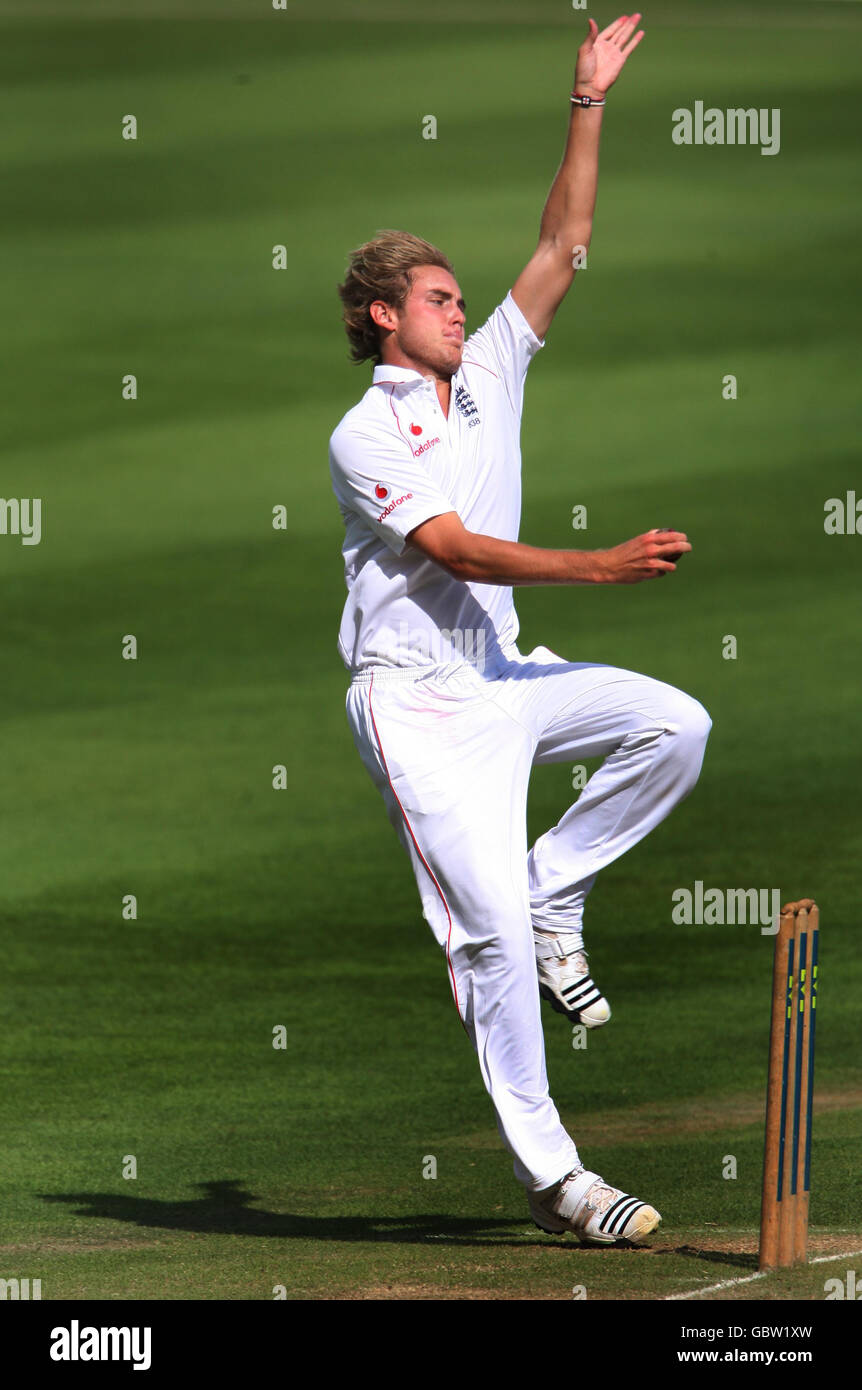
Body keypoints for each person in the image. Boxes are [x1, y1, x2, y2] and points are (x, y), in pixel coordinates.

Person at [328, 15, 711, 1245]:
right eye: (435, 297)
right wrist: (596, 565)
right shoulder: (365, 436)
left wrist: (586, 97)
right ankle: (559, 1180)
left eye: (454, 295)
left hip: (503, 670)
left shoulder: (490, 364)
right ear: (385, 318)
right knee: (483, 938)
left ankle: (560, 888)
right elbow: (451, 550)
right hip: (420, 706)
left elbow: (564, 237)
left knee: (674, 723)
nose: (458, 308)